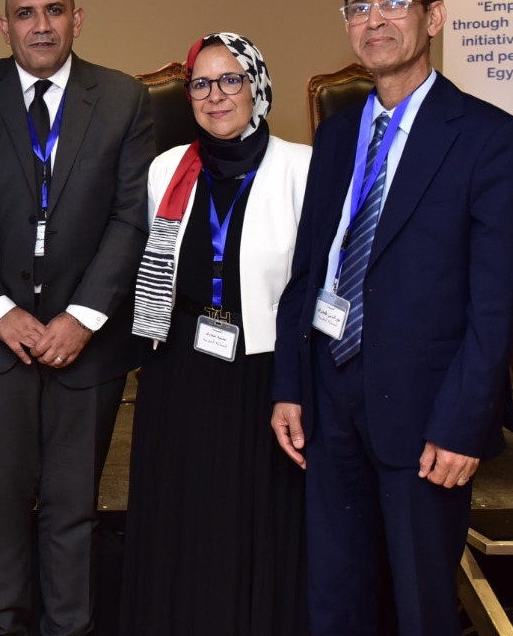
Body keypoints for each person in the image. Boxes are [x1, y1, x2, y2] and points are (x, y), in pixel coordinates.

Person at [271, 0, 513, 636]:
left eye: (394, 3)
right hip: (329, 398)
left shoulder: (493, 140)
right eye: (359, 8)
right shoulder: (337, 137)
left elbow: (496, 306)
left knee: (422, 605)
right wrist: (291, 386)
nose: (375, 21)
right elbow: (309, 272)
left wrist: (463, 424)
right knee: (336, 594)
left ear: (434, 17)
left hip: (426, 414)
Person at [0, 0, 153, 636]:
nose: (40, 26)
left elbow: (132, 218)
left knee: (74, 508)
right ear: (4, 26)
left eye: (54, 11)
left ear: (77, 19)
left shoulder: (123, 98)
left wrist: (82, 318)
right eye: (25, 13)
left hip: (87, 344)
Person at [121, 33, 310, 636]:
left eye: (231, 79)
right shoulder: (167, 168)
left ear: (257, 87)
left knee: (250, 520)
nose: (215, 95)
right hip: (179, 369)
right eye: (201, 83)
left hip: (262, 371)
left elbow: (312, 284)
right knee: (180, 516)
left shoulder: (301, 168)